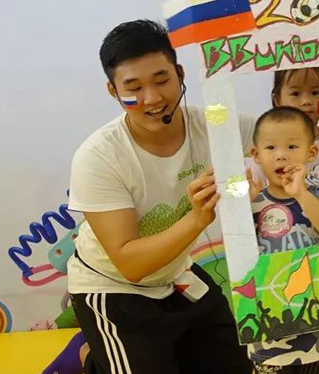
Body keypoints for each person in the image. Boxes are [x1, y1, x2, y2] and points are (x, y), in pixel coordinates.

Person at [59, 19, 255, 374]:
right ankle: (91, 359)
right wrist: (197, 218)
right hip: (113, 286)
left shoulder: (214, 122)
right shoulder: (98, 156)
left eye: (162, 80)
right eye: (134, 88)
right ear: (113, 91)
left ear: (180, 74)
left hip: (177, 274)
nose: (152, 98)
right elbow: (130, 264)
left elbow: (287, 137)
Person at [246, 106, 319, 373]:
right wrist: (242, 207)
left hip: (316, 337)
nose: (281, 155)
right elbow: (235, 255)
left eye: (292, 146)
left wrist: (301, 194)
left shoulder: (318, 194)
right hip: (267, 339)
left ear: (310, 153)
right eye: (270, 148)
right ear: (256, 155)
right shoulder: (252, 202)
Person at [269, 68, 319, 207]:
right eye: (295, 93)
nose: (306, 101)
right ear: (278, 100)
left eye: (315, 93)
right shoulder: (268, 151)